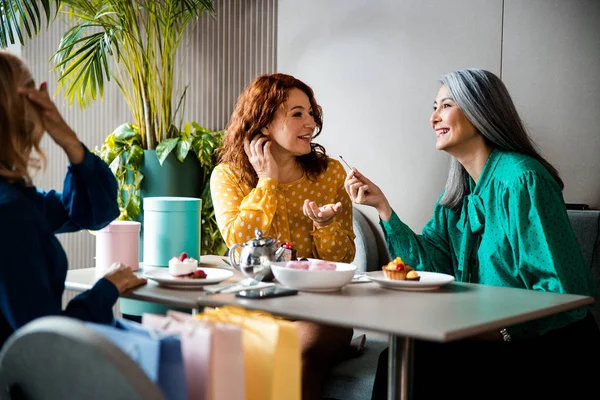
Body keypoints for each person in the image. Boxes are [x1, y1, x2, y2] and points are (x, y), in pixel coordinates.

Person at [344, 68, 600, 399]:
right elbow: (430, 267)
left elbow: (561, 295)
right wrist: (383, 209)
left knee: (416, 365)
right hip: (487, 336)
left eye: (445, 105)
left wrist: (498, 332)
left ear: (480, 111)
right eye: (433, 107)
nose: (434, 117)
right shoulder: (458, 192)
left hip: (551, 346)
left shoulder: (522, 180)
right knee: (399, 361)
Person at [211, 73, 356, 400]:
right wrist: (267, 182)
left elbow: (341, 259)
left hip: (319, 312)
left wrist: (326, 225)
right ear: (263, 124)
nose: (311, 123)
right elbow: (238, 241)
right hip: (251, 307)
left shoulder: (331, 174)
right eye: (297, 114)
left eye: (310, 113)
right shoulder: (227, 176)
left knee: (294, 356)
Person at [0, 51, 146, 350]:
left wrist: (69, 141)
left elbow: (93, 213)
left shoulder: (19, 203)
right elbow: (45, 342)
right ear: (22, 107)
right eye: (33, 92)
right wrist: (106, 289)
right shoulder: (11, 214)